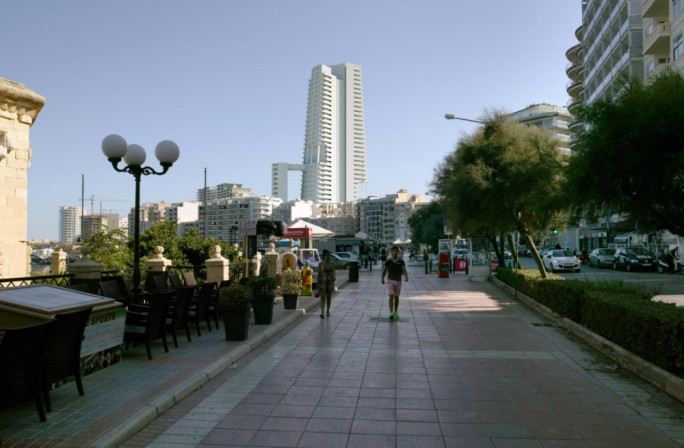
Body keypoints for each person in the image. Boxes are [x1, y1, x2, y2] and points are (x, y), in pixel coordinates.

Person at [382, 246, 408, 320]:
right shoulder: (388, 261)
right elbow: (384, 270)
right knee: (391, 296)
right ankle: (391, 313)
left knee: (396, 297)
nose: (395, 252)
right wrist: (382, 278)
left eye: (397, 251)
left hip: (398, 281)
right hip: (390, 280)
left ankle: (396, 312)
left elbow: (404, 270)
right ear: (391, 252)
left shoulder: (401, 261)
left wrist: (406, 276)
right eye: (394, 251)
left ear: (398, 252)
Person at [318, 250, 335, 318]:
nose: (328, 257)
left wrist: (334, 277)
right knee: (322, 297)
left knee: (328, 297)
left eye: (329, 256)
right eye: (327, 255)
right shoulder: (320, 264)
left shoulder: (332, 264)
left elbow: (333, 272)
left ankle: (327, 311)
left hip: (329, 282)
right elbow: (319, 274)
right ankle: (322, 312)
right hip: (322, 281)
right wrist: (317, 283)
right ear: (324, 256)